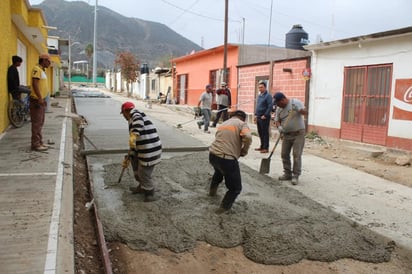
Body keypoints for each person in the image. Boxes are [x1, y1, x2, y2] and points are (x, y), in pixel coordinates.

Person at [208, 110, 252, 214]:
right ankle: (222, 209)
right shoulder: (242, 124)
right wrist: (244, 151)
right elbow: (248, 137)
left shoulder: (224, 123)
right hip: (226, 159)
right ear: (243, 118)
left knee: (218, 172)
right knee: (235, 188)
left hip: (213, 155)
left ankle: (212, 193)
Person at [120, 101, 162, 202]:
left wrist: (134, 134)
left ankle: (150, 193)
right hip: (143, 149)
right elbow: (134, 142)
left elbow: (138, 123)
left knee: (144, 172)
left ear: (126, 111)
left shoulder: (136, 114)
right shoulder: (131, 119)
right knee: (134, 163)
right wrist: (129, 155)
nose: (123, 117)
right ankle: (142, 186)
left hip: (150, 150)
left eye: (123, 114)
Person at [273, 92, 307, 185]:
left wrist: (299, 110)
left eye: (279, 103)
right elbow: (277, 120)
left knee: (296, 154)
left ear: (283, 100)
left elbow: (306, 113)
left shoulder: (295, 103)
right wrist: (279, 128)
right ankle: (287, 173)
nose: (278, 105)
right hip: (286, 134)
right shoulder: (279, 109)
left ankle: (295, 175)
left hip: (298, 133)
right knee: (284, 154)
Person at [30, 54, 51, 152]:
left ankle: (40, 141)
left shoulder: (42, 70)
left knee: (41, 122)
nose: (49, 63)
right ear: (43, 60)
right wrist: (39, 98)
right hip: (36, 100)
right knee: (37, 123)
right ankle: (35, 144)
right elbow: (35, 84)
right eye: (48, 61)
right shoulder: (37, 69)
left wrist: (44, 98)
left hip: (41, 100)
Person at [254, 81, 273, 153]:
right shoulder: (259, 96)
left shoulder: (268, 96)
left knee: (265, 133)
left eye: (261, 87)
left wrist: (265, 115)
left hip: (264, 117)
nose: (260, 89)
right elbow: (258, 106)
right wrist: (256, 115)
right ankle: (261, 146)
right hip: (259, 117)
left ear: (265, 87)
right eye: (259, 87)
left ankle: (266, 148)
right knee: (260, 132)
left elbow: (270, 106)